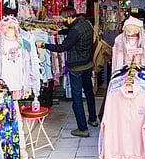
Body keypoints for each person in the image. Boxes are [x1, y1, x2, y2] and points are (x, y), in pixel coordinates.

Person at [36, 7, 98, 137]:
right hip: (88, 64)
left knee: (77, 99)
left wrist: (44, 45)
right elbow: (73, 32)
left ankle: (82, 129)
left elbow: (62, 47)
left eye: (64, 19)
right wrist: (59, 32)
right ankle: (93, 119)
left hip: (77, 68)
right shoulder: (85, 22)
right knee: (89, 93)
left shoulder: (74, 31)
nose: (63, 21)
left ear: (70, 18)